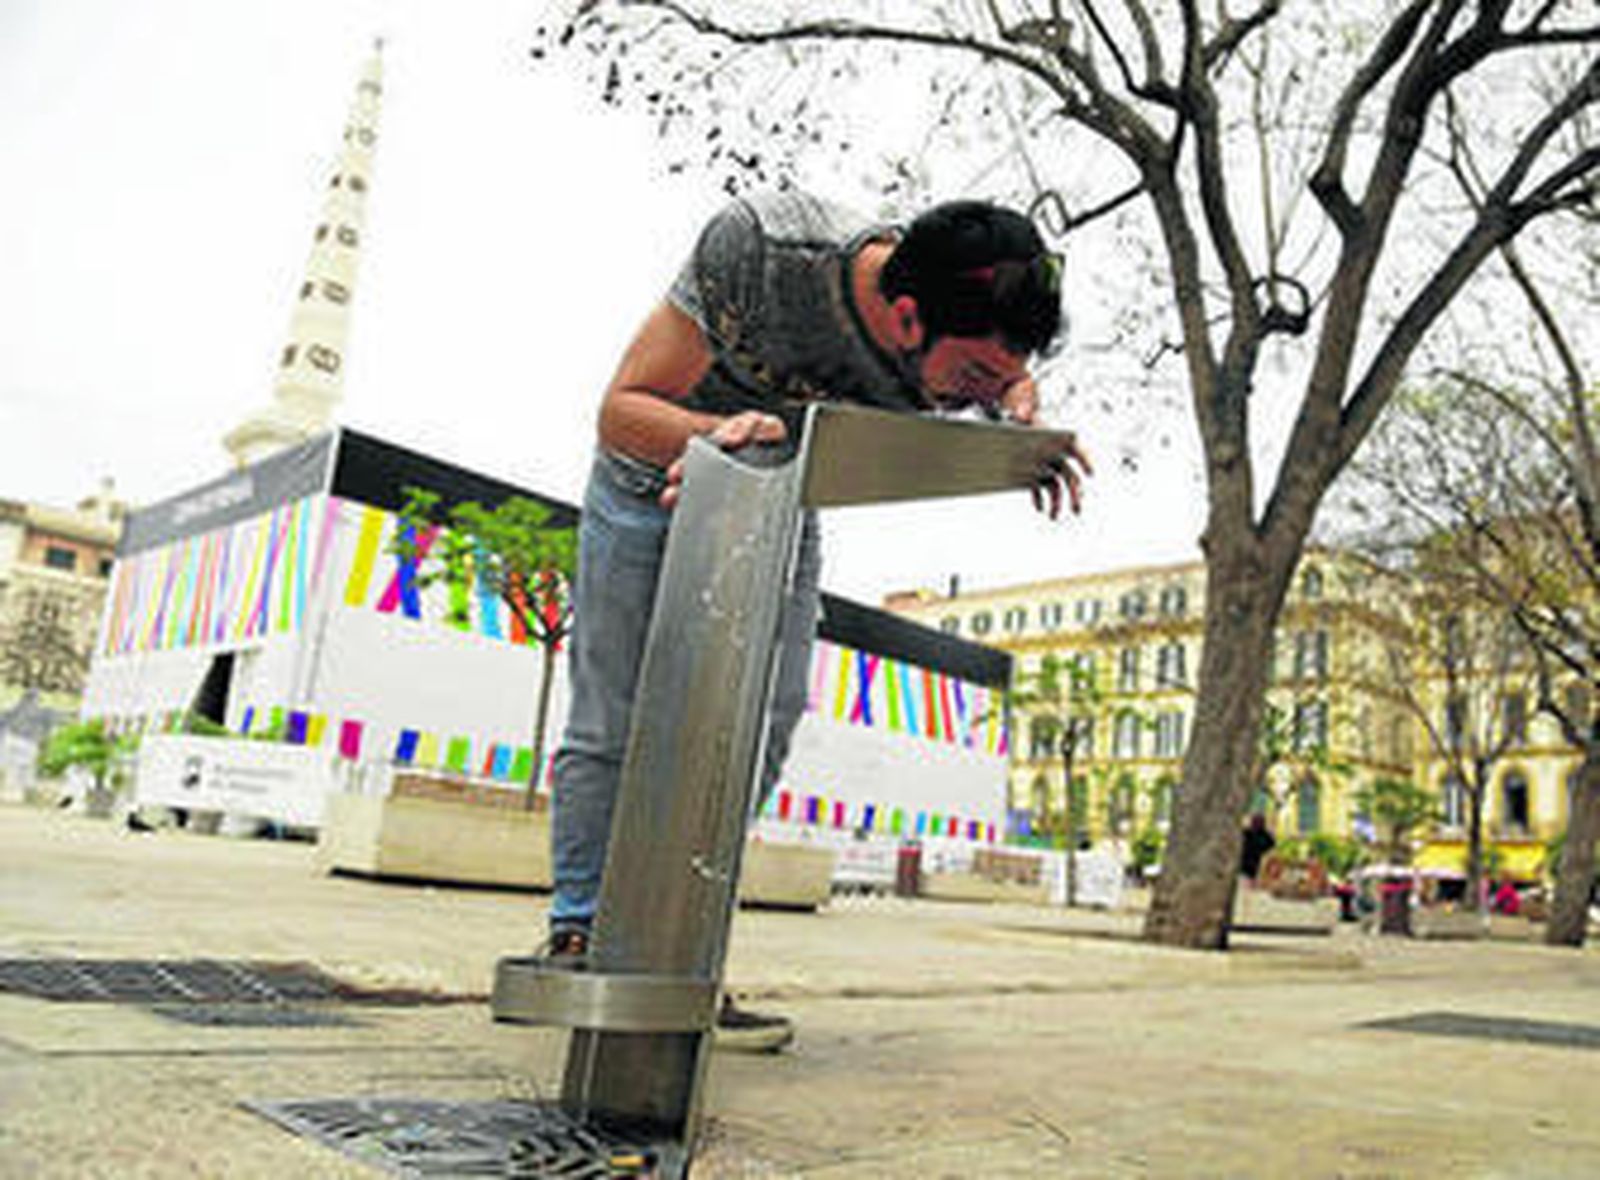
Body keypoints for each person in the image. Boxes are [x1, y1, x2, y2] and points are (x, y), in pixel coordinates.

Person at [545, 190, 1090, 1050]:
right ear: (906, 317)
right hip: (649, 476)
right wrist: (715, 434)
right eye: (973, 378)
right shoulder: (764, 252)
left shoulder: (966, 331)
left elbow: (1000, 377)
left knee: (766, 717)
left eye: (992, 381)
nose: (971, 400)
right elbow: (622, 407)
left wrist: (1020, 418)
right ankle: (578, 934)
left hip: (782, 492)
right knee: (613, 713)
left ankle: (677, 948)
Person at [1239, 813, 1276, 881]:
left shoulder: (1264, 835)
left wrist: (1262, 850)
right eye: (1256, 822)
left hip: (1253, 862)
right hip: (1245, 862)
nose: (1257, 824)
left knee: (1250, 876)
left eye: (1259, 822)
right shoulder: (1247, 832)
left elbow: (1272, 845)